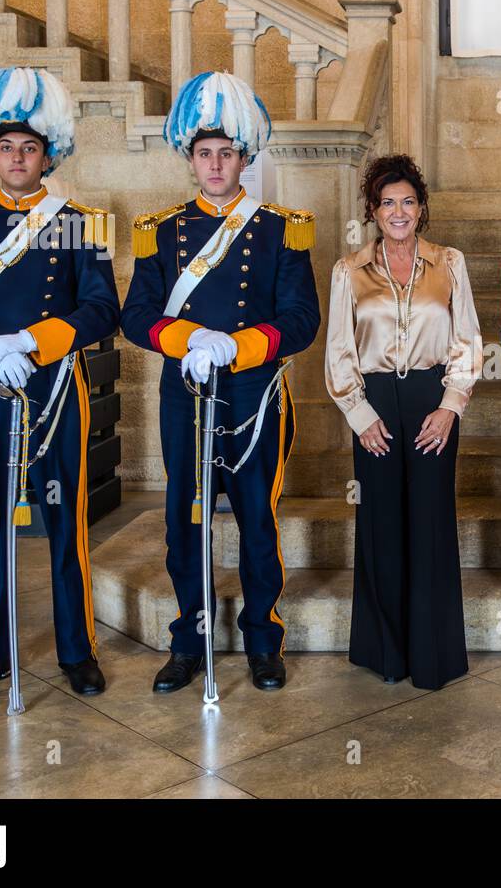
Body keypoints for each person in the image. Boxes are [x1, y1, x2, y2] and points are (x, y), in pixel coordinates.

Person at [0, 67, 120, 703]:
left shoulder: (81, 221)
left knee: (66, 521)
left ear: (48, 154)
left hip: (57, 385)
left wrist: (33, 342)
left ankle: (76, 651)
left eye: (29, 148)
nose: (17, 158)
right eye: (6, 147)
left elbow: (101, 308)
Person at [121, 71, 320, 693]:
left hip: (254, 392)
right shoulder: (159, 230)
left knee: (257, 517)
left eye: (226, 153)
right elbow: (135, 315)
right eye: (204, 153)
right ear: (190, 157)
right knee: (187, 516)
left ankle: (263, 638)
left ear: (244, 157)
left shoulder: (281, 227)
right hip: (185, 392)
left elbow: (301, 320)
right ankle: (192, 638)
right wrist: (187, 340)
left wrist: (237, 344)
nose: (215, 164)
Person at [324, 153, 482, 690]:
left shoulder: (449, 263)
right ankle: (385, 651)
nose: (398, 211)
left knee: (431, 525)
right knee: (381, 527)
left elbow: (467, 342)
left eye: (408, 201)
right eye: (387, 202)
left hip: (432, 401)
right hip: (374, 407)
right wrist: (358, 413)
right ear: (372, 210)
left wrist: (450, 405)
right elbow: (339, 350)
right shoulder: (348, 270)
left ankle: (433, 655)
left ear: (421, 209)